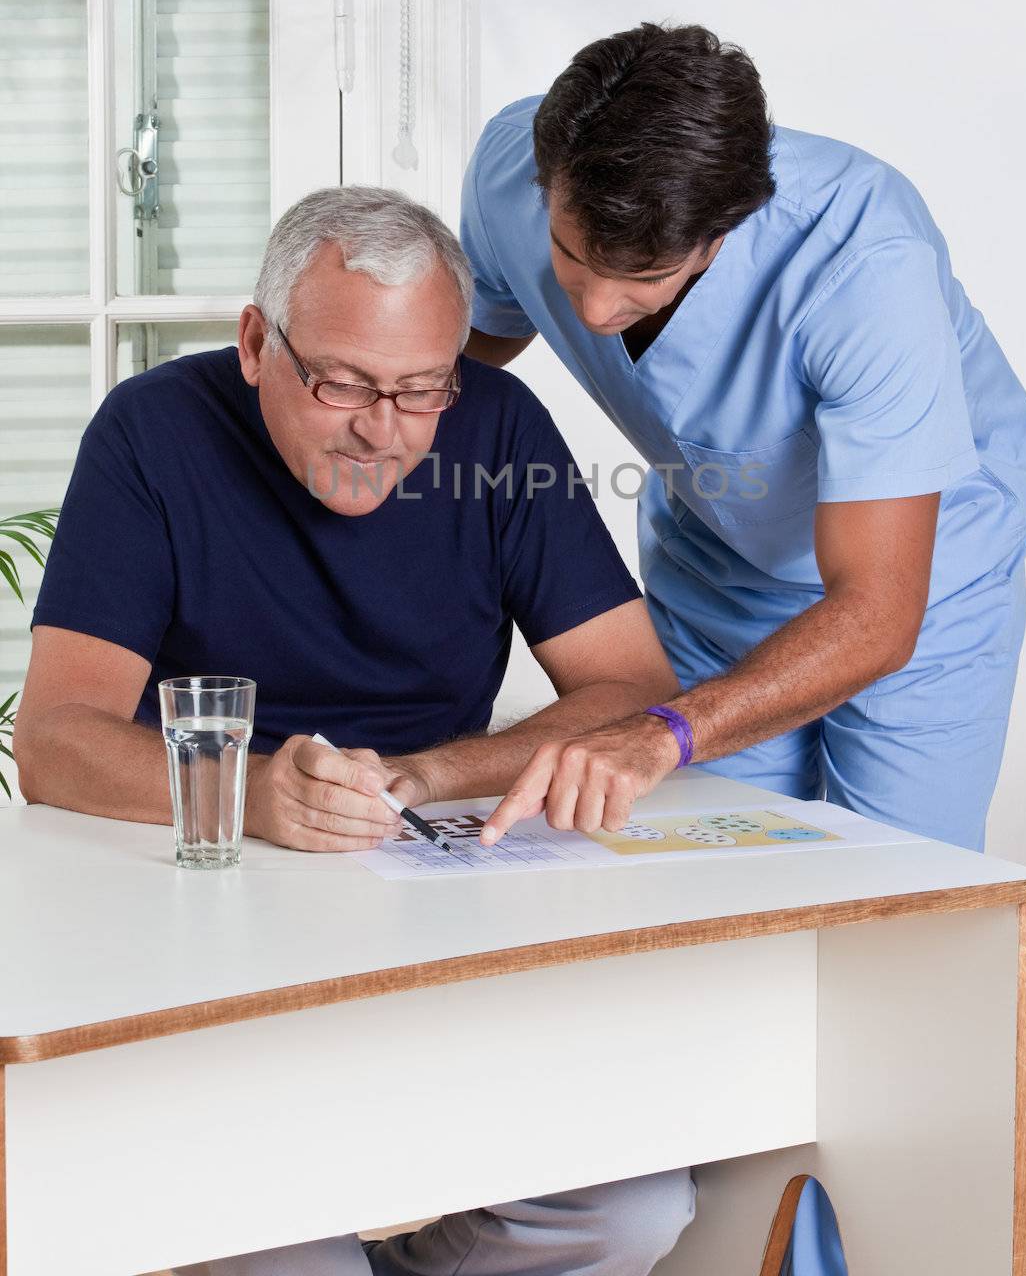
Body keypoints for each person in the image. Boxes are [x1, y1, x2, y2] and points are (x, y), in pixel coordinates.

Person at [15, 186, 694, 1276]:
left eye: (420, 389)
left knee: (631, 1209)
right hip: (202, 915)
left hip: (427, 902)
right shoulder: (152, 432)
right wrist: (255, 791)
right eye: (341, 383)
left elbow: (629, 688)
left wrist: (431, 772)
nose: (383, 429)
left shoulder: (496, 429)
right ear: (254, 341)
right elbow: (52, 738)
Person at [462, 22, 1026, 855]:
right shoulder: (507, 173)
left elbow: (879, 613)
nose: (593, 311)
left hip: (920, 580)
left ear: (722, 232)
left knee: (898, 889)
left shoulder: (861, 261)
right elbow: (457, 367)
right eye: (569, 254)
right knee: (699, 866)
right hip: (718, 566)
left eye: (644, 280)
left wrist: (661, 729)